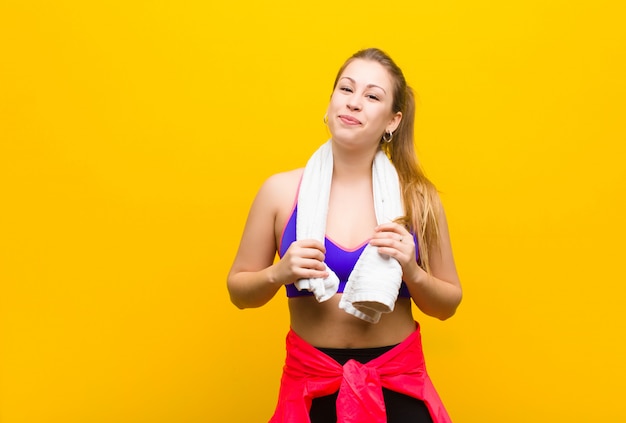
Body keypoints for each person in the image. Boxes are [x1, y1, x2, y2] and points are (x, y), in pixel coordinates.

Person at [227, 48, 462, 423]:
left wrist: (413, 272)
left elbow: (448, 305)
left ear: (393, 120)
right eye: (346, 89)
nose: (354, 103)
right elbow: (238, 292)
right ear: (330, 101)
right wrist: (279, 273)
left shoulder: (417, 199)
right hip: (310, 391)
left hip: (396, 389)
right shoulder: (280, 192)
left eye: (372, 96)